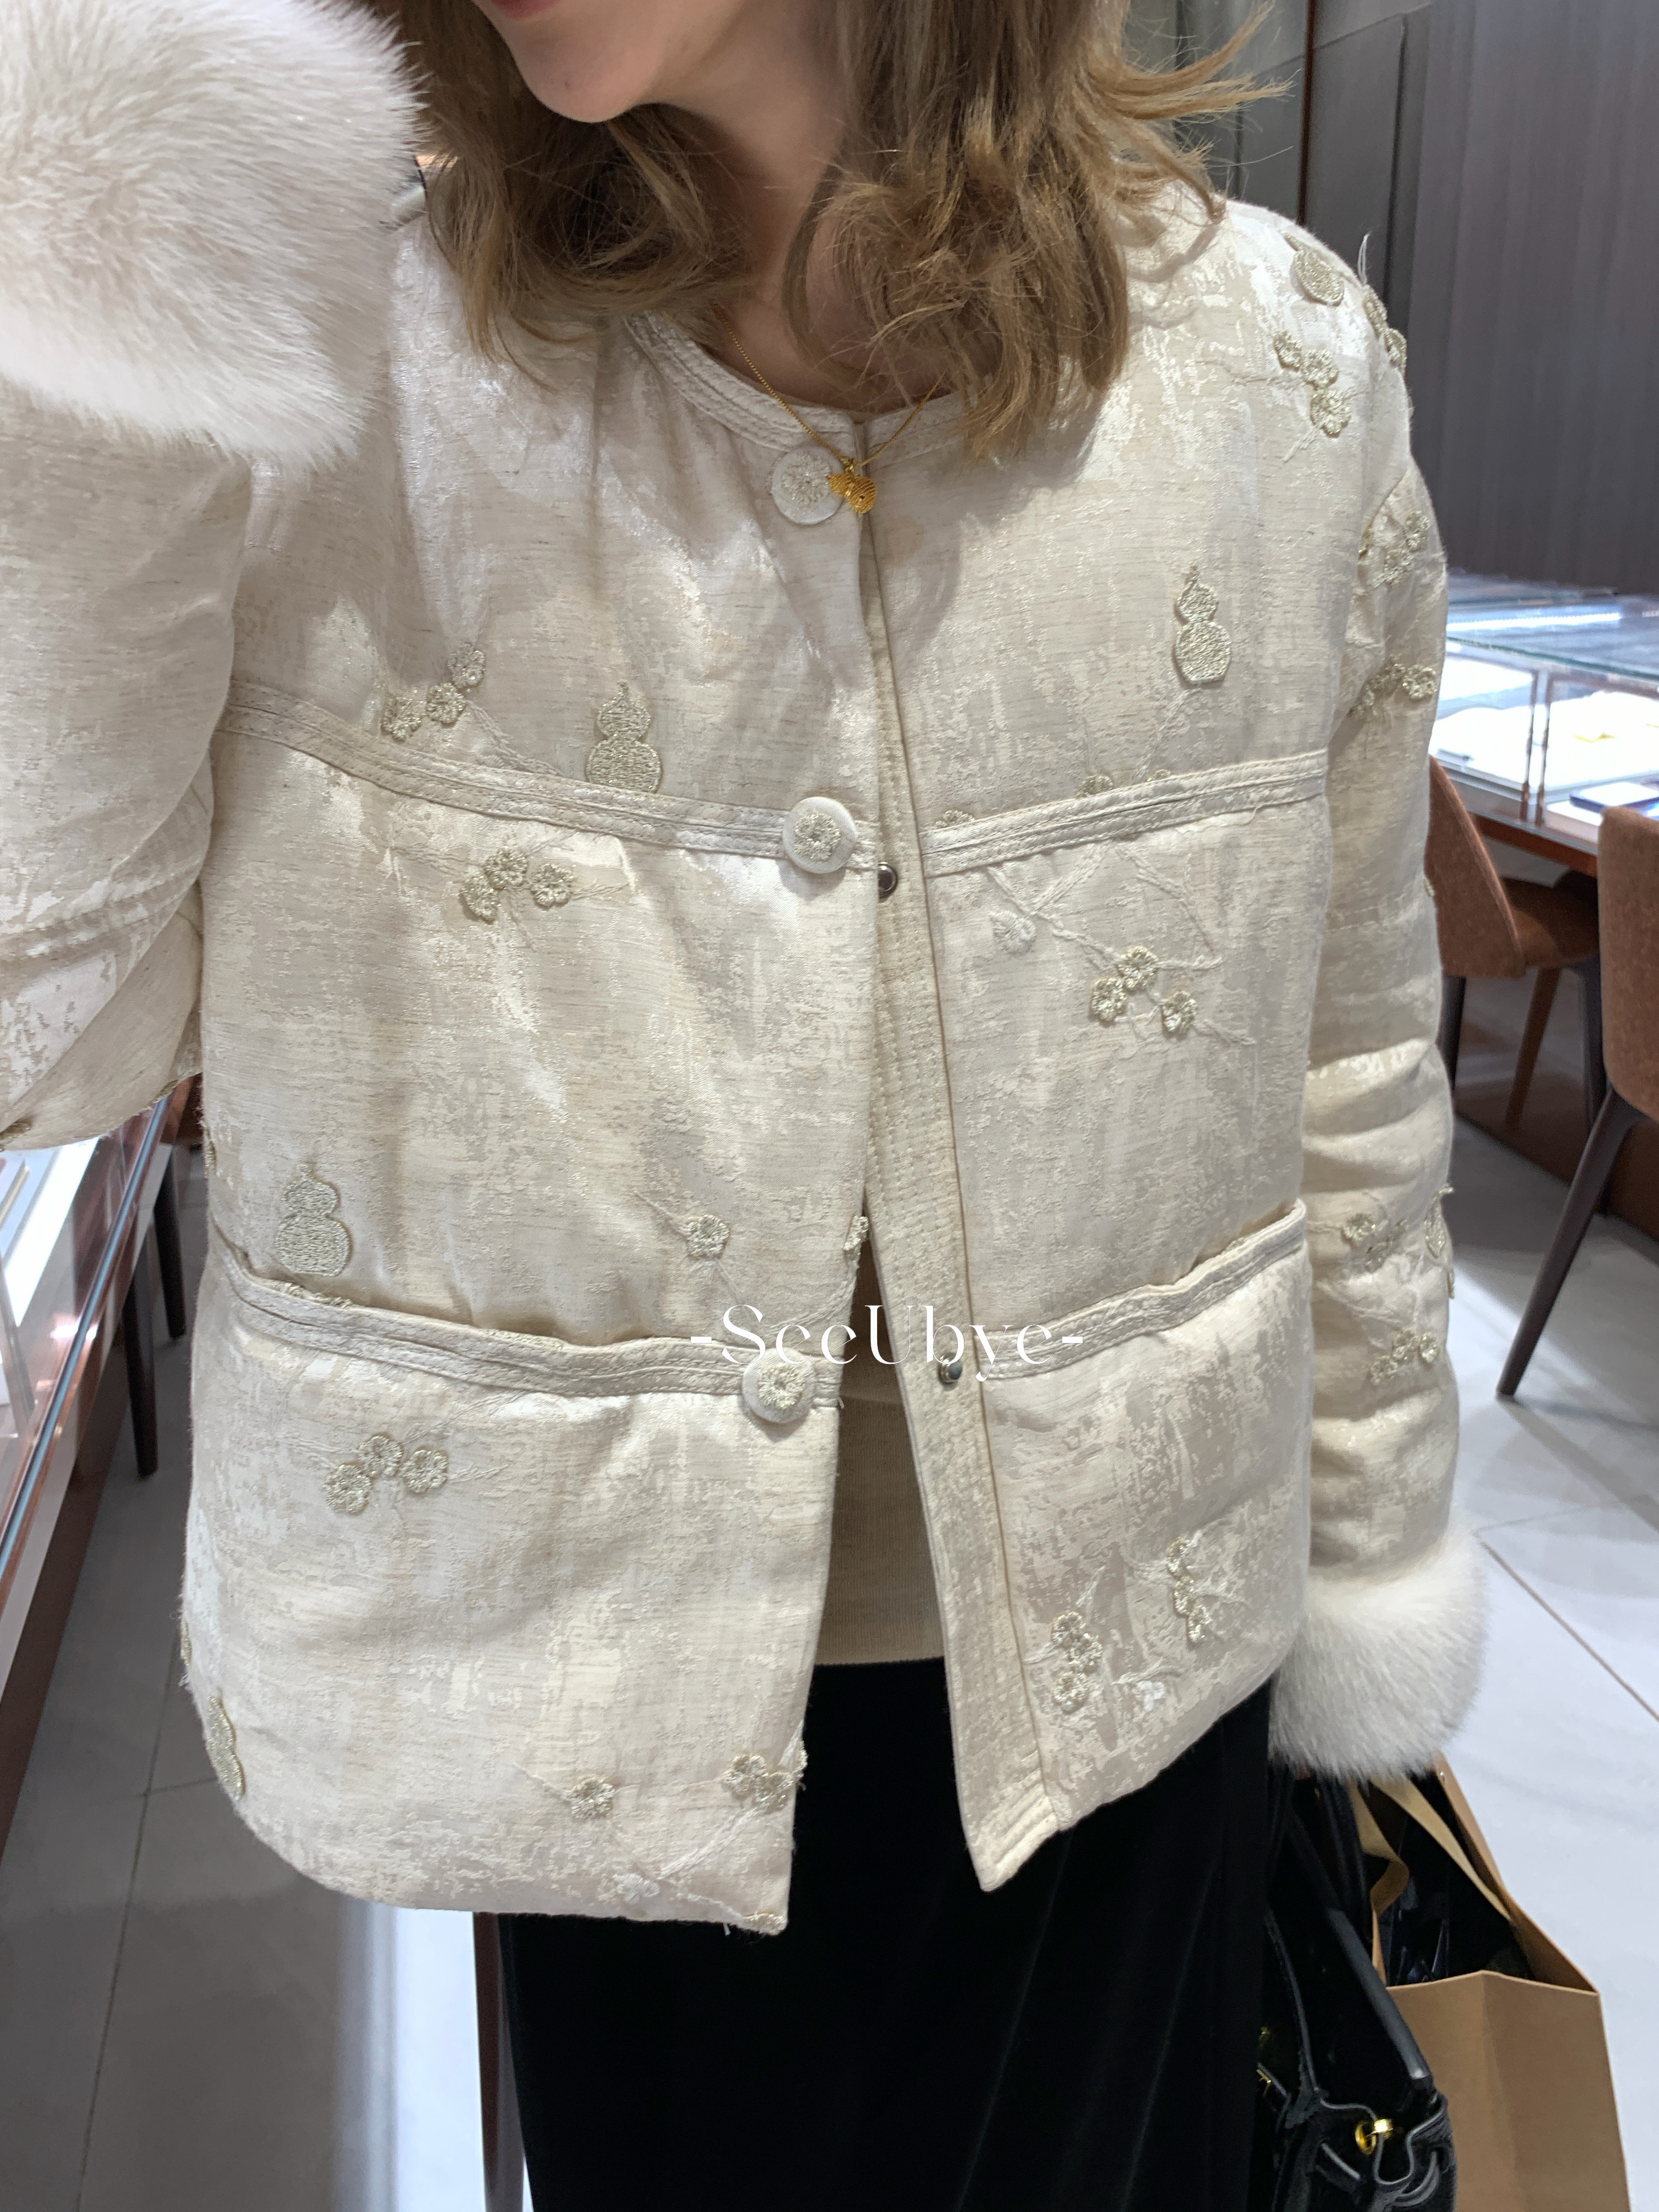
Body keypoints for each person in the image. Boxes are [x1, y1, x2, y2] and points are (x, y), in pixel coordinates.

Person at [0, 0, 1485, 2204]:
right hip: (605, 1711)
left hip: (1135, 1679)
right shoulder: (331, 362)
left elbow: (1346, 1051)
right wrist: (94, 273)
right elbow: (51, 1030)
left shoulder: (1276, 371)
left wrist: (1370, 1562)